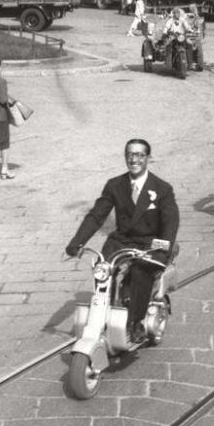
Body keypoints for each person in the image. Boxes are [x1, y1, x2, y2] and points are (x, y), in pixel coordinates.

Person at [65, 139, 179, 343]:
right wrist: (77, 241)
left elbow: (171, 222)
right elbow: (96, 216)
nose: (134, 159)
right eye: (130, 154)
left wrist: (162, 248)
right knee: (103, 271)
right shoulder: (115, 185)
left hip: (149, 243)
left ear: (148, 158)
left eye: (140, 155)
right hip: (121, 241)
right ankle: (103, 313)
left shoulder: (162, 188)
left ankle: (136, 322)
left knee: (140, 272)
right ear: (125, 156)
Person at [183, 4, 205, 71]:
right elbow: (202, 28)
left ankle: (190, 64)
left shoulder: (186, 16)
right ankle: (200, 65)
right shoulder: (199, 18)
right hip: (197, 35)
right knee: (199, 49)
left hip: (190, 35)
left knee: (188, 48)